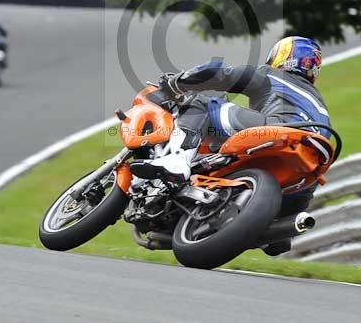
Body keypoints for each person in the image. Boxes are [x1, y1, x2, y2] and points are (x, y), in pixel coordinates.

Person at [130, 36, 330, 255]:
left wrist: (176, 82)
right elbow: (304, 189)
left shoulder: (271, 76)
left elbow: (218, 74)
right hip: (314, 155)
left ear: (281, 56)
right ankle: (278, 228)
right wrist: (281, 224)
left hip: (276, 131)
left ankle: (177, 159)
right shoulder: (319, 106)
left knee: (203, 102)